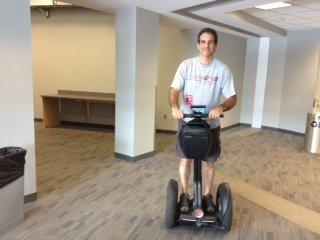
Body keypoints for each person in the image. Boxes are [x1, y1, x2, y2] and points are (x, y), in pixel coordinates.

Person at [169, 28, 237, 213]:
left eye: (211, 42)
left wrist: (221, 108)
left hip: (211, 124)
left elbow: (232, 97)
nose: (207, 45)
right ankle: (184, 195)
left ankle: (207, 196)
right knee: (185, 161)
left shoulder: (222, 69)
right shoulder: (186, 66)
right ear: (198, 44)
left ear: (215, 45)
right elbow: (174, 91)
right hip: (187, 122)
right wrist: (175, 108)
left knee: (210, 162)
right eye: (203, 42)